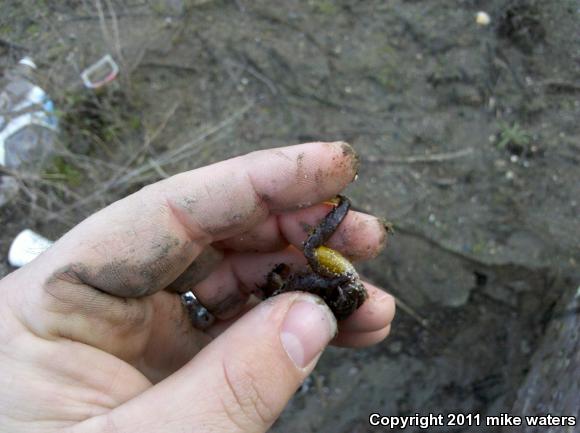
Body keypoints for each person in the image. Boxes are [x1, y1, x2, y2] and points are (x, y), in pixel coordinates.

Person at [0, 141, 395, 432]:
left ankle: (339, 210)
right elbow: (284, 286)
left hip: (341, 290)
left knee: (310, 249)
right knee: (309, 251)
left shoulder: (300, 296)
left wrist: (284, 283)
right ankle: (337, 211)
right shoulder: (291, 300)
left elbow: (290, 282)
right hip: (335, 288)